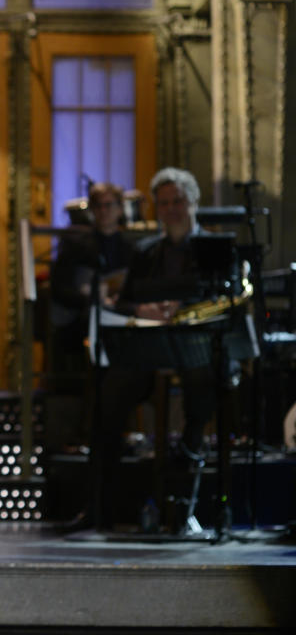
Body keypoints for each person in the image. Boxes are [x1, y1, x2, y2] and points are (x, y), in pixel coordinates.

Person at [94, 167, 218, 529]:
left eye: (177, 201)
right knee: (112, 387)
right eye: (163, 203)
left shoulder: (212, 247)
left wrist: (185, 311)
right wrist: (143, 309)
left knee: (201, 385)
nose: (171, 209)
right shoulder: (145, 252)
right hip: (151, 348)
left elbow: (224, 297)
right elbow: (123, 302)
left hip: (197, 348)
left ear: (192, 202)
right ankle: (107, 506)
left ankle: (184, 497)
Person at [50, 182, 135, 375]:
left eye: (109, 205)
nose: (104, 211)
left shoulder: (129, 248)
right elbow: (59, 288)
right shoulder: (75, 244)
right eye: (98, 205)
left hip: (117, 314)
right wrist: (91, 298)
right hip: (82, 318)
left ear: (120, 208)